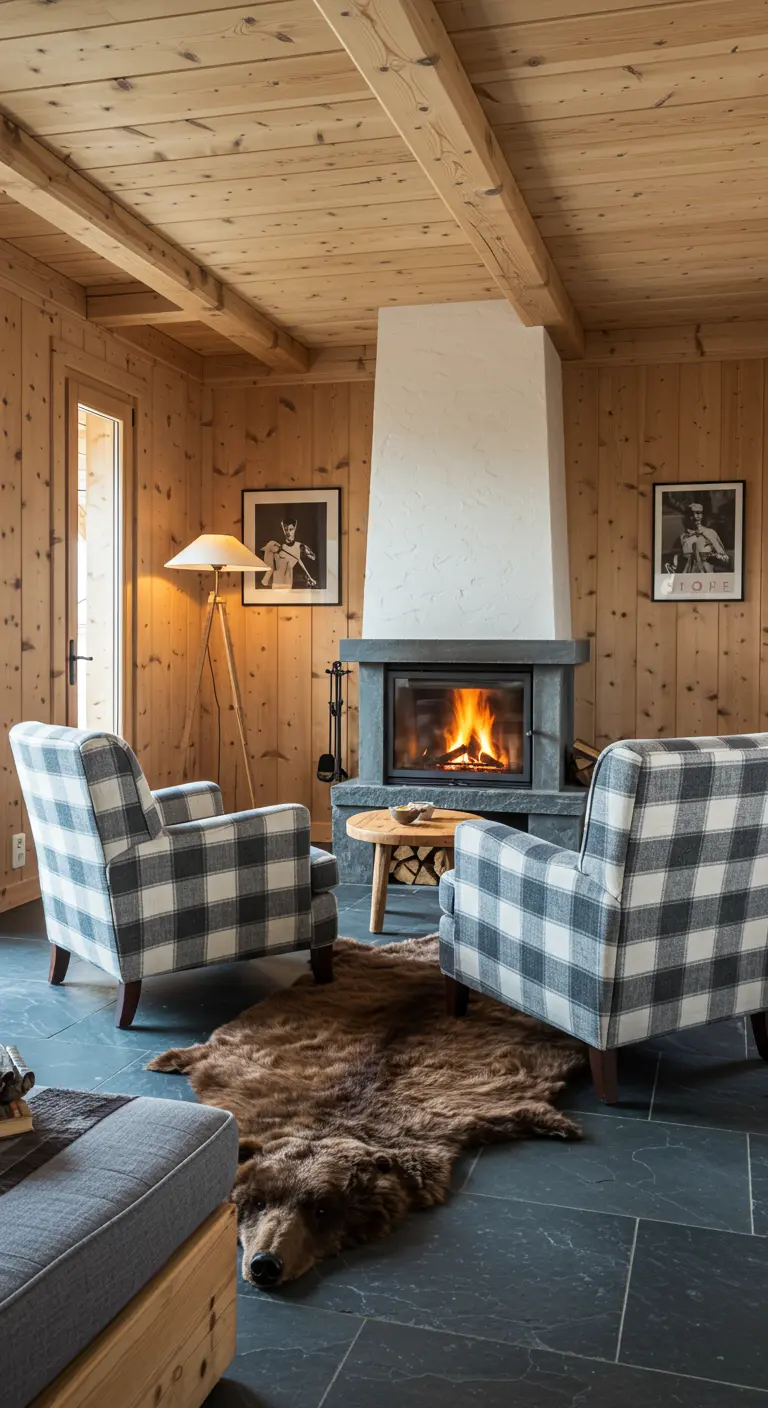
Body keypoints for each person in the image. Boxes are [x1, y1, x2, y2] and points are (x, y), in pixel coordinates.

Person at [665, 500, 730, 575]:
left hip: (706, 577)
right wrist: (674, 566)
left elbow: (725, 559)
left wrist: (715, 557)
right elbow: (680, 560)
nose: (695, 517)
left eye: (698, 513)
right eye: (691, 514)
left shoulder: (710, 533)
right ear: (687, 517)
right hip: (688, 578)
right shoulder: (683, 537)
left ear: (702, 516)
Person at [261, 513, 317, 589]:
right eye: (285, 529)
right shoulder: (277, 546)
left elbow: (313, 558)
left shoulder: (300, 546)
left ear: (295, 528)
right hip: (277, 583)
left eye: (291, 529)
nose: (288, 532)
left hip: (291, 584)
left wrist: (308, 552)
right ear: (283, 529)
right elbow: (269, 563)